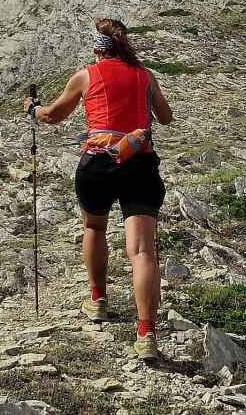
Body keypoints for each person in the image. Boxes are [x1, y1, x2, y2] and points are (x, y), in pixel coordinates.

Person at [23, 18, 173, 361]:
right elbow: (165, 117)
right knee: (143, 251)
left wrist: (32, 108)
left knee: (94, 227)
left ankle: (98, 300)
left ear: (96, 48)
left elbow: (53, 116)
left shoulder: (86, 75)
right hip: (139, 163)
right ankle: (147, 334)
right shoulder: (145, 76)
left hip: (97, 165)